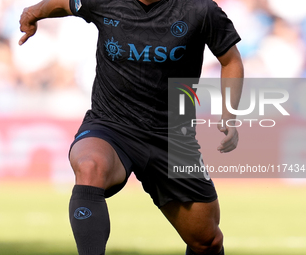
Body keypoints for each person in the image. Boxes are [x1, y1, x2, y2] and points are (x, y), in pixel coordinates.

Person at [19, 0, 244, 254]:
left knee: (207, 241)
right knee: (90, 165)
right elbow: (65, 4)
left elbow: (231, 60)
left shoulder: (200, 10)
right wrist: (34, 12)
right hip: (111, 125)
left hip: (171, 137)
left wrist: (229, 116)